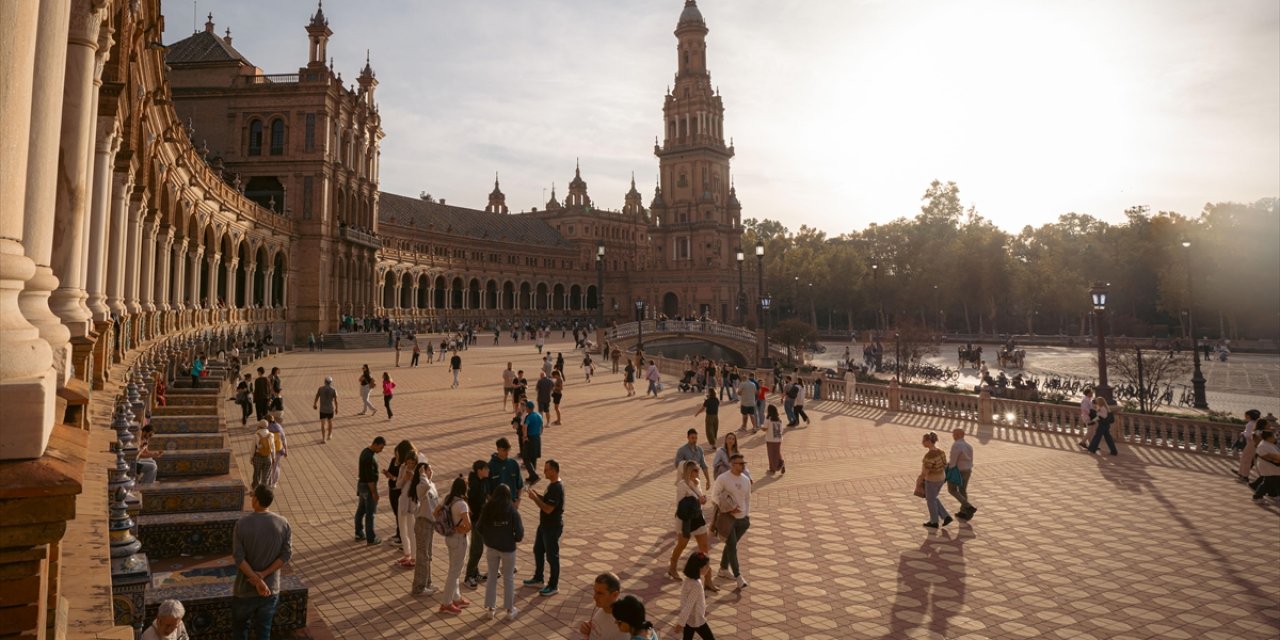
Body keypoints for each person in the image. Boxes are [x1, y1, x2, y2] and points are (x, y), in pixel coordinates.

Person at [231, 486, 291, 640]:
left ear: (256, 500)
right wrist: (263, 576)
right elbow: (285, 555)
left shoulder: (242, 524)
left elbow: (239, 558)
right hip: (270, 589)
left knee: (240, 629)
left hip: (244, 589)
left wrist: (256, 580)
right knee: (264, 631)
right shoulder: (283, 523)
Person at [670, 460, 717, 591]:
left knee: (704, 547)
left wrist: (702, 500)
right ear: (688, 471)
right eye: (695, 470)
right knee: (682, 544)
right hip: (686, 520)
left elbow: (699, 501)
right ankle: (672, 567)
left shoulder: (697, 482)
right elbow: (682, 504)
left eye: (698, 469)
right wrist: (698, 500)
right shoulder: (682, 485)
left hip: (698, 519)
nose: (698, 472)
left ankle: (708, 580)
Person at [480, 484, 524, 621]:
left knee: (492, 576)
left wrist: (488, 538)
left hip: (492, 547)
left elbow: (479, 527)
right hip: (508, 548)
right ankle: (510, 609)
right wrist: (514, 538)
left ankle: (490, 609)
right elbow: (520, 532)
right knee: (508, 578)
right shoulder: (511, 509)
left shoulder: (487, 508)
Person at [523, 459, 565, 597]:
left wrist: (535, 499)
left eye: (547, 469)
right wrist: (538, 495)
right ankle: (538, 578)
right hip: (544, 526)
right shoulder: (552, 485)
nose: (544, 472)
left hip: (552, 527)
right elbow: (546, 501)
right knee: (538, 550)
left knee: (552, 556)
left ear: (553, 471)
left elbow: (548, 509)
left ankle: (553, 585)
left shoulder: (556, 488)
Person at [712, 453, 752, 589]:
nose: (743, 466)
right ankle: (738, 576)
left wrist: (746, 516)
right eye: (740, 463)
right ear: (732, 464)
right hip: (727, 519)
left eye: (743, 463)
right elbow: (714, 497)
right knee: (733, 547)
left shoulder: (746, 480)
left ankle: (723, 569)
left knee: (730, 546)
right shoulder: (723, 479)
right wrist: (728, 509)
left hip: (742, 521)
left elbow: (747, 499)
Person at [438, 475, 473, 613]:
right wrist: (460, 528)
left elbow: (436, 512)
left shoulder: (448, 499)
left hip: (449, 538)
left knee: (453, 568)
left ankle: (456, 597)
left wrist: (450, 527)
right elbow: (469, 525)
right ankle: (446, 603)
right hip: (459, 539)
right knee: (455, 572)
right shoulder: (462, 504)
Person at [409, 456, 438, 592]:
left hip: (430, 524)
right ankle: (419, 587)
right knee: (422, 556)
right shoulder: (421, 486)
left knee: (428, 555)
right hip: (422, 524)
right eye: (429, 470)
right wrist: (421, 473)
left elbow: (435, 504)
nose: (431, 472)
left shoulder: (431, 484)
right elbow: (424, 485)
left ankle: (427, 583)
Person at [463, 460, 491, 589]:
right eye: (486, 469)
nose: (488, 471)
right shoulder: (473, 484)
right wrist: (469, 509)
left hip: (481, 518)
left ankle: (475, 573)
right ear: (479, 470)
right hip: (475, 520)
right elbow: (465, 497)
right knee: (477, 549)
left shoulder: (482, 481)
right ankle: (469, 576)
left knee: (477, 547)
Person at [676, 552, 716, 640]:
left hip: (689, 618)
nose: (708, 568)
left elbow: (684, 601)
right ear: (698, 568)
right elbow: (689, 605)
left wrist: (683, 620)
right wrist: (680, 622)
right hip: (697, 619)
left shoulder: (688, 580)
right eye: (706, 566)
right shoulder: (696, 585)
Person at [579, 572, 629, 640]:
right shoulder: (604, 607)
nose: (595, 597)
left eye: (600, 593)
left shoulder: (621, 627)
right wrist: (587, 629)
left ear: (615, 595)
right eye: (595, 591)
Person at [355, 436, 386, 545]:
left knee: (361, 509)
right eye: (381, 448)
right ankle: (371, 537)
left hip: (361, 484)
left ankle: (359, 532)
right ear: (376, 444)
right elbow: (370, 478)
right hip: (368, 486)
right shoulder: (370, 457)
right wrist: (374, 493)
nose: (381, 451)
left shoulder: (365, 451)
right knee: (370, 513)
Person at [919, 432, 953, 528]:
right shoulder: (941, 452)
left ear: (929, 441)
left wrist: (920, 479)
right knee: (933, 498)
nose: (922, 443)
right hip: (941, 478)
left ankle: (934, 522)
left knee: (930, 500)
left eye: (923, 441)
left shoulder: (929, 455)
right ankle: (946, 516)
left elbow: (926, 471)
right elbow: (945, 465)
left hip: (932, 480)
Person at [396, 445, 422, 568]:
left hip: (412, 503)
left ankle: (414, 557)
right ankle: (407, 554)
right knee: (402, 529)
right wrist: (405, 479)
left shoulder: (419, 471)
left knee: (412, 531)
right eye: (409, 462)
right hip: (402, 501)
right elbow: (398, 485)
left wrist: (414, 479)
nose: (410, 465)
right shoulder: (403, 468)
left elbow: (422, 487)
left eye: (413, 463)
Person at [947, 428, 977, 520]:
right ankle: (963, 512)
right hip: (967, 470)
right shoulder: (968, 445)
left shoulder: (956, 445)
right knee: (963, 490)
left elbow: (953, 461)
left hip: (958, 471)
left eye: (954, 434)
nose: (953, 436)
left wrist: (948, 470)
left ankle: (968, 507)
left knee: (952, 489)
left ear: (958, 435)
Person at [488, 438, 525, 509]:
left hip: (512, 505)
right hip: (497, 507)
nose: (507, 453)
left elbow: (520, 485)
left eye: (508, 450)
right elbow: (487, 491)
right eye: (504, 450)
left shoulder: (513, 464)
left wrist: (518, 501)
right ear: (498, 449)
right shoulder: (490, 466)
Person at [1250, 429, 1280, 504]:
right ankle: (1257, 497)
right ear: (1269, 438)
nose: (1275, 438)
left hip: (1270, 467)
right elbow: (1277, 457)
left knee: (1269, 481)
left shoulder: (1267, 444)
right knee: (1269, 482)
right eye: (1274, 436)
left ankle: (1273, 494)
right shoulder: (1265, 445)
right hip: (1270, 467)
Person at [520, 401, 545, 485]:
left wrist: (525, 437)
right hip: (537, 438)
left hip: (530, 438)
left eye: (526, 407)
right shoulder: (539, 415)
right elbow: (542, 427)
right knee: (534, 457)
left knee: (526, 457)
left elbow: (525, 426)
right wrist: (539, 434)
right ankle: (532, 476)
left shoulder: (529, 417)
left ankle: (534, 475)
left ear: (528, 408)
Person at [250, 420, 276, 490]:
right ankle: (264, 490)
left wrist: (251, 457)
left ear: (259, 426)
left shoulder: (256, 435)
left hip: (258, 457)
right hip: (268, 457)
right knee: (266, 476)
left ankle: (255, 489)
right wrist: (273, 457)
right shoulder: (271, 435)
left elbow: (253, 448)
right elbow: (273, 447)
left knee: (256, 474)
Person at [1237, 409, 1263, 482]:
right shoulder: (1257, 423)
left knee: (1245, 459)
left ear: (1249, 416)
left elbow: (1249, 435)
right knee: (1252, 460)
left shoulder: (1250, 424)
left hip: (1251, 443)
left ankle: (1244, 476)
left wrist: (1243, 434)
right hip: (1256, 443)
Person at [313, 376, 338, 444]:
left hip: (322, 409)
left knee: (323, 424)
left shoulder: (320, 389)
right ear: (331, 382)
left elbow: (317, 397)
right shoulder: (333, 390)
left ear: (324, 382)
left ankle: (323, 438)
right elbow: (336, 400)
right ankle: (329, 435)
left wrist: (315, 404)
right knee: (330, 422)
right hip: (330, 409)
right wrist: (336, 408)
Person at [266, 417, 288, 487]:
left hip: (269, 450)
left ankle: (268, 481)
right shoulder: (279, 427)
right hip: (278, 450)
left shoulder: (267, 428)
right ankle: (274, 482)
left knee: (269, 466)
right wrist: (286, 450)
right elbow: (284, 439)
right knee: (276, 466)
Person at [764, 404, 785, 474]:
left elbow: (765, 428)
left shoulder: (768, 419)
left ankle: (772, 468)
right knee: (777, 452)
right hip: (778, 439)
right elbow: (781, 429)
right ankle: (781, 463)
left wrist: (761, 427)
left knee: (771, 454)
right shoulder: (779, 419)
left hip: (770, 439)